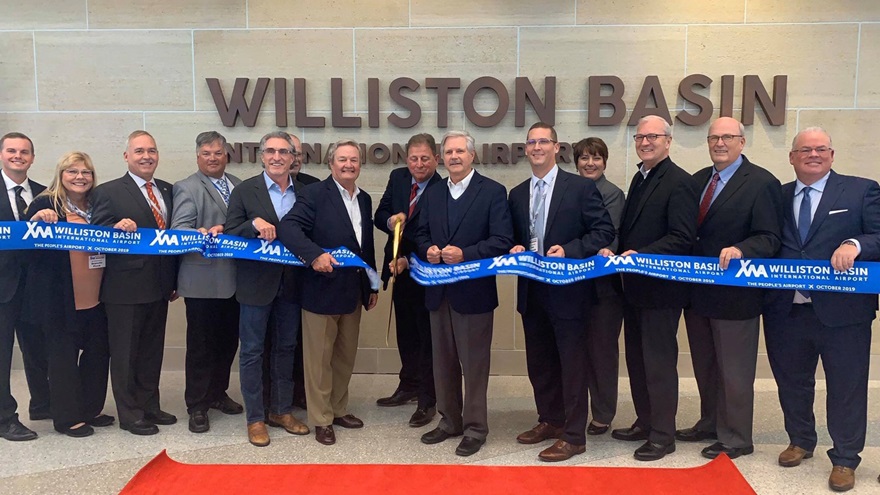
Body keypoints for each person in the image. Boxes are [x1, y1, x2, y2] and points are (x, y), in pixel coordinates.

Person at [762, 127, 880, 492]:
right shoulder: (776, 196)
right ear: (792, 157)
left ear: (832, 154)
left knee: (846, 385)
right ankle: (800, 440)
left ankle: (845, 458)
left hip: (844, 313)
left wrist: (855, 243)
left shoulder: (861, 189)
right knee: (792, 382)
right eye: (804, 150)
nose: (813, 154)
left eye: (821, 149)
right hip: (786, 308)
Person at [679, 117, 783, 459]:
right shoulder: (697, 182)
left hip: (737, 295)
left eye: (727, 137)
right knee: (705, 366)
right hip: (698, 294)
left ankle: (737, 437)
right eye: (713, 137)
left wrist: (742, 249)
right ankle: (710, 422)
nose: (719, 143)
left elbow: (770, 237)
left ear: (742, 142)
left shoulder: (762, 182)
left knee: (734, 371)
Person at [509, 123, 614, 461]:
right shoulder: (517, 193)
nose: (537, 147)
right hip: (532, 290)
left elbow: (604, 231)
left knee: (571, 364)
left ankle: (574, 435)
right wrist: (514, 248)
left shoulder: (580, 188)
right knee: (540, 363)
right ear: (526, 150)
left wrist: (570, 249)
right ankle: (550, 420)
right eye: (531, 142)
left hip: (569, 293)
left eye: (544, 141)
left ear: (557, 148)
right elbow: (515, 237)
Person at [415, 130, 514, 457]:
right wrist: (427, 247)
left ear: (472, 156)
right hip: (438, 291)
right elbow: (421, 232)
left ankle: (475, 428)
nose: (454, 157)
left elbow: (502, 240)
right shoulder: (433, 193)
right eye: (449, 152)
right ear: (442, 158)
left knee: (473, 365)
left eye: (460, 151)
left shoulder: (493, 192)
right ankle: (449, 421)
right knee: (442, 362)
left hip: (474, 294)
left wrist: (467, 254)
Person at [606, 116, 699, 461]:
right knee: (638, 361)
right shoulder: (641, 177)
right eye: (640, 136)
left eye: (653, 136)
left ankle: (663, 434)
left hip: (661, 291)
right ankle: (645, 421)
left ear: (668, 140)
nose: (645, 142)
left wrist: (639, 255)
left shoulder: (679, 182)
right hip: (633, 289)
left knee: (658, 363)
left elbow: (681, 237)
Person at [278, 139, 379, 446]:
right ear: (331, 164)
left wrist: (372, 283)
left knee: (345, 357)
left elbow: (366, 245)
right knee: (318, 360)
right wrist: (314, 255)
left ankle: (338, 409)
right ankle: (321, 419)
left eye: (354, 160)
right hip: (320, 290)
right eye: (342, 160)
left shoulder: (364, 199)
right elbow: (288, 228)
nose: (348, 165)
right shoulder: (314, 195)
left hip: (353, 290)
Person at [90, 130, 178, 436]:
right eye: (139, 151)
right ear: (127, 156)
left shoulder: (167, 189)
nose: (146, 156)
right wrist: (115, 228)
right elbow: (95, 235)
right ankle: (130, 414)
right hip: (124, 288)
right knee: (126, 354)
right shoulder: (109, 191)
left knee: (152, 351)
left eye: (151, 150)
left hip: (160, 285)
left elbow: (172, 238)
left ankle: (150, 405)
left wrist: (175, 278)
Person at [225, 131, 307, 447]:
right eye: (270, 151)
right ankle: (255, 419)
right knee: (252, 352)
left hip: (292, 284)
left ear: (292, 158)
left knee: (286, 348)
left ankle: (282, 411)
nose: (276, 157)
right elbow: (231, 233)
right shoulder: (245, 191)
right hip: (255, 285)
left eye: (283, 152)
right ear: (262, 156)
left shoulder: (305, 192)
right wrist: (253, 226)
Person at [24, 151, 112, 438]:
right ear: (61, 175)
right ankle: (66, 418)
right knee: (63, 360)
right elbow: (25, 243)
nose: (80, 177)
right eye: (72, 171)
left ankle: (89, 410)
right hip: (61, 300)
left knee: (97, 357)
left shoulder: (99, 204)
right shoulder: (46, 203)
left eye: (85, 172)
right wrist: (36, 220)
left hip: (96, 298)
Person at [170, 131, 244, 434]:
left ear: (226, 155)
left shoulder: (238, 185)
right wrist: (197, 233)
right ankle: (197, 406)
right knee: (201, 346)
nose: (212, 158)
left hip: (236, 280)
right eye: (206, 153)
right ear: (197, 156)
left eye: (218, 153)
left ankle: (217, 394)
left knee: (227, 343)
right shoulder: (186, 187)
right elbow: (178, 229)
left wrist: (228, 228)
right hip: (203, 280)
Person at [374, 133, 442, 427]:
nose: (418, 164)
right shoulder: (398, 178)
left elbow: (438, 233)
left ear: (436, 159)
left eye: (425, 158)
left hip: (427, 273)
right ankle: (408, 384)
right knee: (406, 333)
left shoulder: (443, 186)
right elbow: (380, 216)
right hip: (398, 270)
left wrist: (411, 258)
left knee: (427, 337)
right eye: (413, 158)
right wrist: (391, 221)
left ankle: (428, 399)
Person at [572, 137, 625, 437]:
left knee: (602, 352)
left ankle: (603, 414)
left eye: (596, 158)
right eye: (584, 158)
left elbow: (609, 236)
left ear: (605, 162)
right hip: (572, 286)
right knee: (575, 352)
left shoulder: (612, 194)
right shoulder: (568, 190)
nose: (590, 163)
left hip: (604, 289)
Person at [0, 132, 49, 442]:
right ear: (2, 155)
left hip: (38, 288)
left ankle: (43, 403)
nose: (18, 156)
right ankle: (5, 418)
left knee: (38, 351)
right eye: (11, 151)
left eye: (24, 152)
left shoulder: (46, 194)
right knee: (3, 355)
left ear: (32, 158)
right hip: (3, 287)